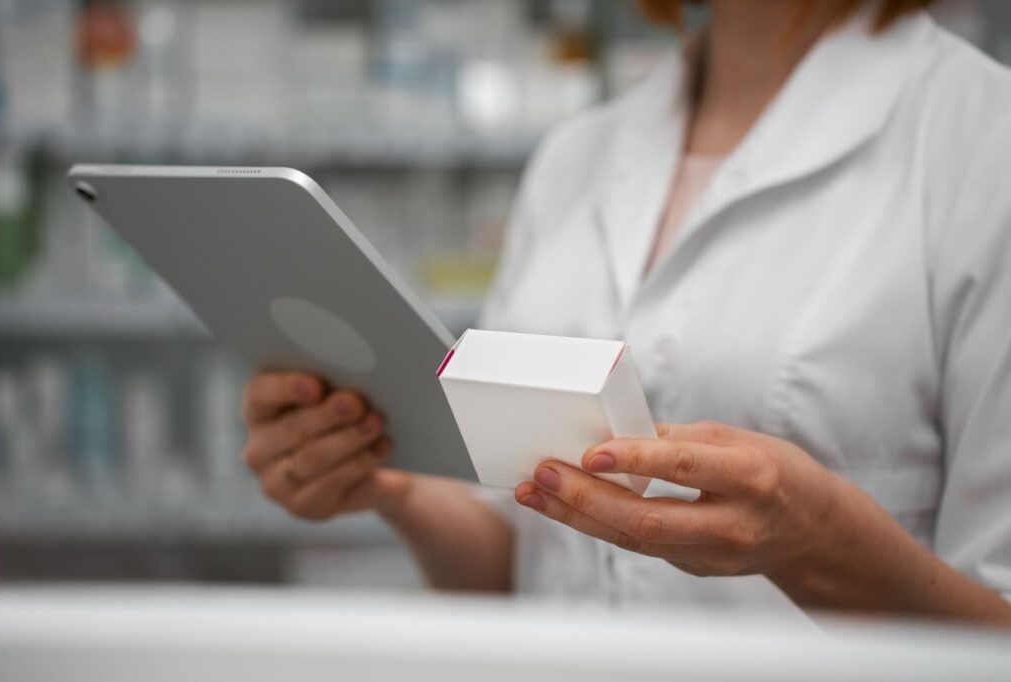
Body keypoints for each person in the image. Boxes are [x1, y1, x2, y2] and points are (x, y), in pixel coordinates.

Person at [239, 0, 1011, 624]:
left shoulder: (982, 143)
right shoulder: (576, 155)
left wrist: (820, 545)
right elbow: (526, 568)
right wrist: (389, 483)